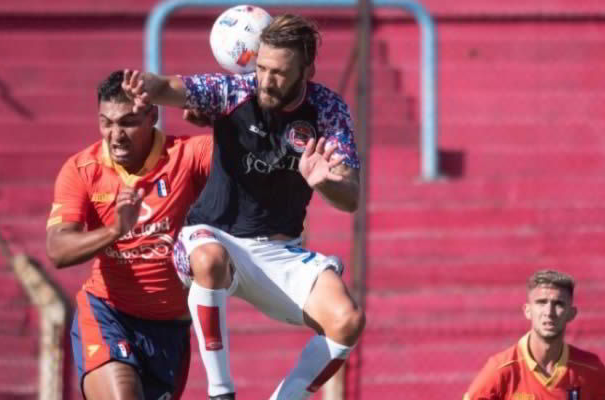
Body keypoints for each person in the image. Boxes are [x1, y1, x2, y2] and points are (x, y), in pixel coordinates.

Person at [122, 13, 365, 400]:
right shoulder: (234, 91)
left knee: (347, 321)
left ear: (308, 70)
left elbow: (351, 196)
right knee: (211, 259)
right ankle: (221, 392)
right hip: (212, 235)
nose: (266, 80)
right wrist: (144, 86)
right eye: (262, 67)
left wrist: (325, 183)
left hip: (279, 251)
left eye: (280, 73)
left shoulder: (327, 110)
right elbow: (172, 87)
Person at [45, 70, 212, 400]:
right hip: (109, 314)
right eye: (106, 122)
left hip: (171, 330)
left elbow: (248, 157)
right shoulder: (82, 170)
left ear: (152, 115)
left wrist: (217, 122)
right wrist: (116, 230)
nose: (115, 135)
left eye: (128, 122)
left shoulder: (189, 156)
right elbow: (58, 250)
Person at [463, 270, 605, 400]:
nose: (549, 312)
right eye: (541, 302)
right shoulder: (501, 370)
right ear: (527, 310)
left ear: (571, 313)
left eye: (558, 304)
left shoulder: (590, 369)